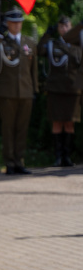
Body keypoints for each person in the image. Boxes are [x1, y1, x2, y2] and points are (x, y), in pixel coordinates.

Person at [0, 7, 38, 175]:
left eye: (19, 22)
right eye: (13, 23)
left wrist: (34, 88)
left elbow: (34, 69)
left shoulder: (29, 42)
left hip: (25, 91)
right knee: (8, 128)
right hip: (8, 92)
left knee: (22, 128)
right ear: (8, 24)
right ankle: (10, 162)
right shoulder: (2, 43)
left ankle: (20, 161)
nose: (17, 25)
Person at [38, 16, 79, 167]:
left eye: (66, 26)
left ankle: (67, 157)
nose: (64, 29)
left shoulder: (77, 45)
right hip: (55, 89)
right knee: (57, 122)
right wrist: (47, 34)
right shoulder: (52, 44)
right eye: (61, 27)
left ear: (71, 28)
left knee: (69, 122)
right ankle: (58, 157)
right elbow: (39, 51)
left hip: (72, 89)